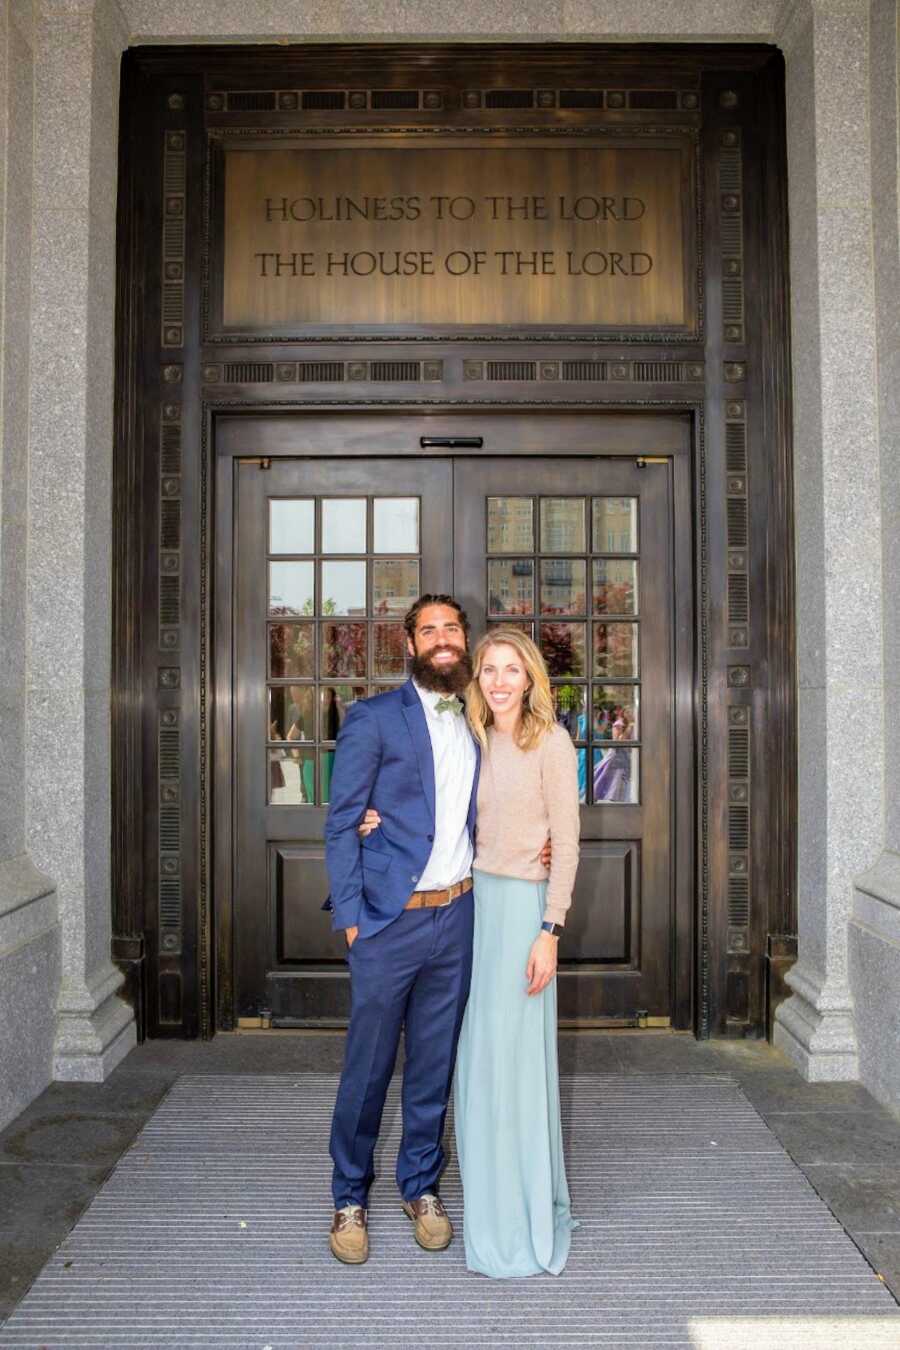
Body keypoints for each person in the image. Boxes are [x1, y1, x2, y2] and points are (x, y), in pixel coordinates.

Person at [323, 595, 479, 1265]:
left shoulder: (481, 717)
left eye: (452, 628)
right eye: (429, 630)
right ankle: (348, 1197)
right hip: (390, 922)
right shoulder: (374, 717)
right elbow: (341, 821)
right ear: (410, 644)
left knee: (434, 1063)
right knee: (370, 1067)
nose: (442, 639)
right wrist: (355, 920)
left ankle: (421, 1187)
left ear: (463, 639)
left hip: (459, 913)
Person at [454, 626, 580, 1277]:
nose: (500, 680)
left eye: (512, 669)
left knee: (515, 1060)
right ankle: (488, 1188)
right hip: (473, 910)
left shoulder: (550, 743)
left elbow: (569, 840)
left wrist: (550, 931)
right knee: (480, 1056)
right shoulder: (470, 740)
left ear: (530, 678)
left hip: (524, 916)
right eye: (490, 670)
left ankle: (519, 1205)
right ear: (478, 679)